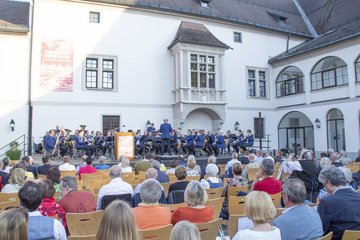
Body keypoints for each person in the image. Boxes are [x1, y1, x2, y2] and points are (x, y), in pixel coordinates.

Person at [317, 167, 360, 240]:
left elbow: (321, 230)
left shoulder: (327, 202)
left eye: (324, 185)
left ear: (329, 183)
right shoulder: (358, 196)